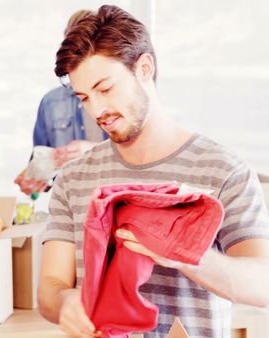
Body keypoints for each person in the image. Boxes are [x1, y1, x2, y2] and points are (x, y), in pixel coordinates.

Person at [37, 5, 269, 338]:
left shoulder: (223, 170)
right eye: (84, 97)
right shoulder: (73, 179)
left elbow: (262, 285)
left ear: (144, 68)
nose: (96, 110)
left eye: (105, 89)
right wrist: (64, 303)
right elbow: (50, 287)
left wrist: (187, 253)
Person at [14, 10, 106, 196]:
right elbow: (42, 165)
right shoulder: (50, 103)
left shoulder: (115, 93)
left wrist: (93, 151)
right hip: (69, 206)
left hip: (112, 202)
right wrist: (34, 179)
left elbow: (135, 154)